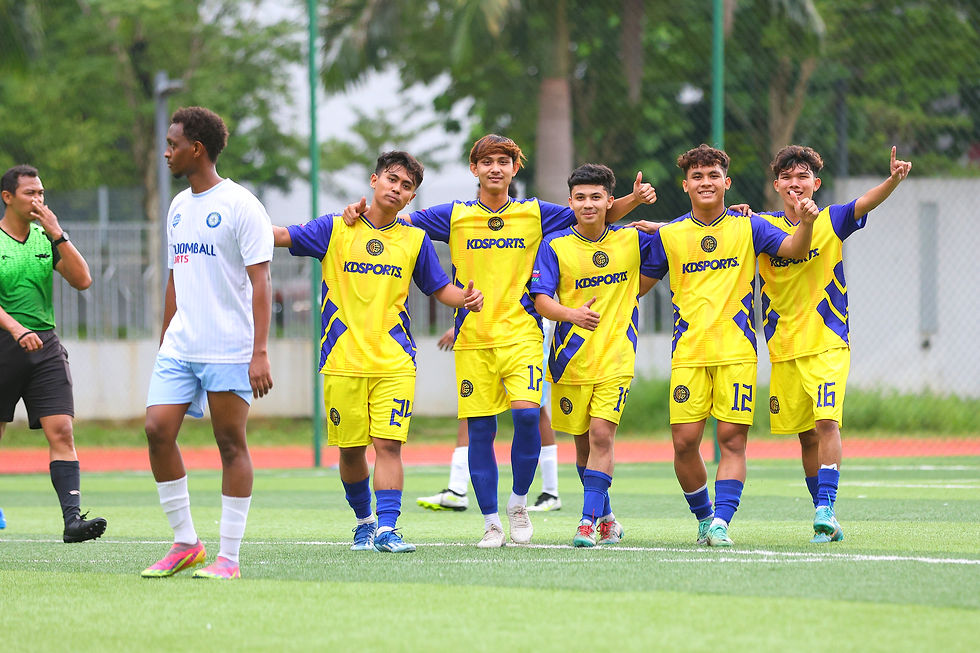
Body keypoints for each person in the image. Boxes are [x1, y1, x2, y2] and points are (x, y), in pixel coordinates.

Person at [347, 134, 656, 547]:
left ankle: (517, 503)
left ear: (515, 169)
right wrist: (354, 212)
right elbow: (393, 220)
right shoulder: (452, 216)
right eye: (487, 161)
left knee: (528, 417)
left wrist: (633, 201)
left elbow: (593, 213)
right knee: (480, 432)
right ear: (474, 169)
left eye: (504, 161)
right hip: (473, 340)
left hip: (523, 336)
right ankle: (492, 522)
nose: (495, 168)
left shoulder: (535, 213)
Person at [275, 151, 483, 553]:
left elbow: (440, 289)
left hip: (395, 361)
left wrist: (466, 298)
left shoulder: (416, 240)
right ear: (374, 181)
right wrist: (233, 221)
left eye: (407, 187)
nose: (398, 189)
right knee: (352, 451)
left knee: (389, 445)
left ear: (411, 199)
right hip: (342, 360)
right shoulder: (335, 228)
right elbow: (282, 236)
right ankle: (364, 522)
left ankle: (388, 529)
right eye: (392, 179)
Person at [638, 144, 816, 547]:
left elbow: (795, 249)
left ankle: (721, 521)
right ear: (685, 185)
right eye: (697, 176)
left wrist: (804, 223)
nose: (705, 182)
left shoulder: (748, 226)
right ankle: (704, 516)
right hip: (689, 355)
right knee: (684, 445)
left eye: (713, 175)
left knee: (732, 442)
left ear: (727, 183)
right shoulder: (669, 234)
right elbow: (636, 287)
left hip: (737, 353)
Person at [141, 107, 274, 580]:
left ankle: (229, 558)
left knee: (229, 443)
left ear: (196, 148)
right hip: (181, 346)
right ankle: (185, 543)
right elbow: (175, 279)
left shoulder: (242, 205)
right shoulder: (178, 206)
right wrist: (164, 339)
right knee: (157, 430)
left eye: (173, 143)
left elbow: (261, 283)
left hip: (229, 348)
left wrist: (260, 352)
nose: (166, 151)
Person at [755, 145, 911, 543]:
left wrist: (892, 180)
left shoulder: (832, 218)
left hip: (827, 340)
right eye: (787, 177)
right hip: (783, 345)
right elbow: (708, 228)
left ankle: (826, 507)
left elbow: (865, 202)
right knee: (806, 435)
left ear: (816, 183)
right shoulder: (758, 225)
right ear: (776, 185)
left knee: (827, 422)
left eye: (803, 176)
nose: (795, 183)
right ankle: (823, 516)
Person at [531, 163, 655, 546]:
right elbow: (540, 300)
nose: (588, 204)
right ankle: (607, 517)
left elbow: (693, 236)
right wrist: (572, 314)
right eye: (581, 197)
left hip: (616, 359)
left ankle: (585, 521)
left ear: (609, 201)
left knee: (602, 436)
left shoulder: (632, 240)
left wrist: (735, 214)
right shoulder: (554, 245)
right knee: (583, 445)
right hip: (569, 362)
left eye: (596, 197)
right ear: (571, 202)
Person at [0, 164, 106, 543]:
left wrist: (58, 233)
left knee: (61, 430)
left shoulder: (47, 239)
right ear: (7, 197)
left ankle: (73, 521)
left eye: (41, 194)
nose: (38, 200)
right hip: (4, 344)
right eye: (30, 193)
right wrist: (15, 328)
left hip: (44, 346)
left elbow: (83, 280)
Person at [416, 322, 562, 513]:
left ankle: (550, 492)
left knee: (534, 410)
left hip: (525, 334)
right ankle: (457, 489)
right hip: (486, 335)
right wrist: (463, 325)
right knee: (473, 410)